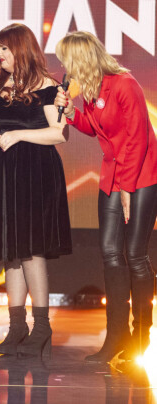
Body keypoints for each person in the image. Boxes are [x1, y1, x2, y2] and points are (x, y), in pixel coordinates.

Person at [55, 31, 157, 363]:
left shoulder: (125, 85)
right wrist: (71, 112)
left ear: (82, 59)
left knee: (134, 254)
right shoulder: (91, 90)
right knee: (110, 253)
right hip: (112, 173)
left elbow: (137, 139)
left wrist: (127, 189)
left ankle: (142, 334)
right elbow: (95, 129)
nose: (64, 68)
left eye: (66, 60)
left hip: (141, 174)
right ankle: (117, 337)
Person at [0, 23, 72, 359]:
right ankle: (17, 325)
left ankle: (41, 325)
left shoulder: (47, 87)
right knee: (9, 250)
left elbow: (59, 134)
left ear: (21, 49)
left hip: (35, 171)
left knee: (31, 249)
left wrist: (20, 135)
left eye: (5, 49)